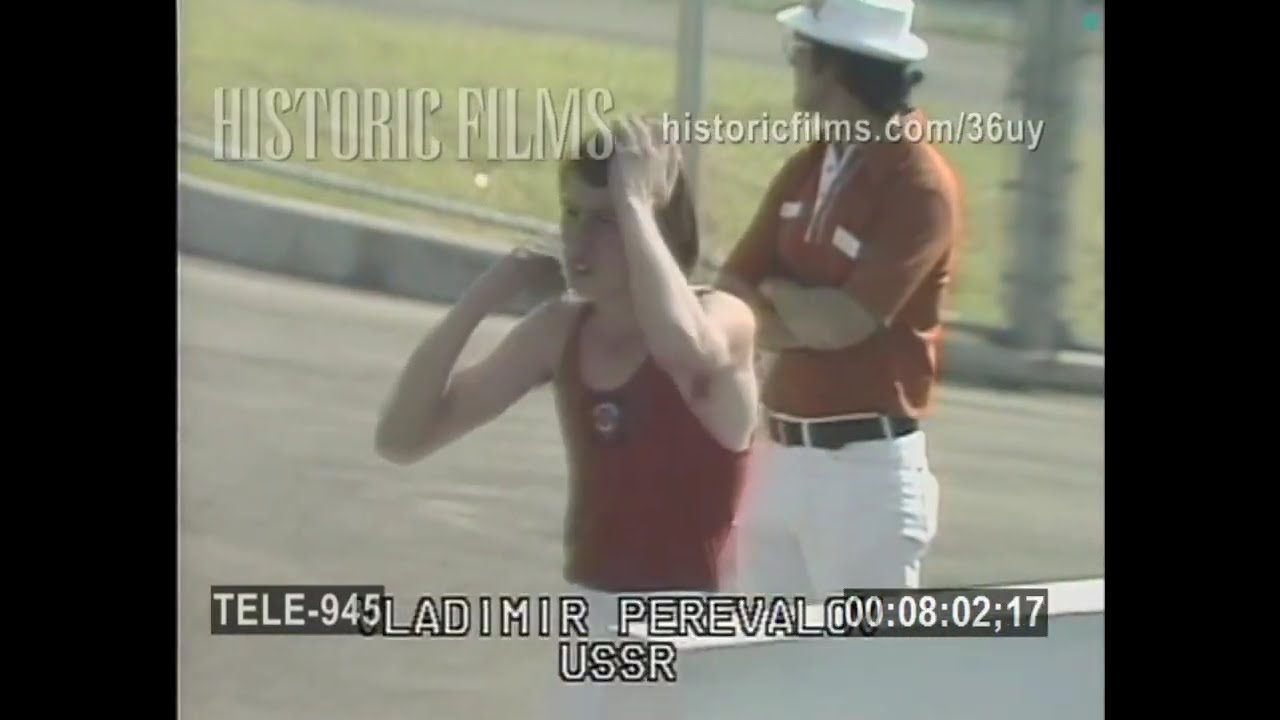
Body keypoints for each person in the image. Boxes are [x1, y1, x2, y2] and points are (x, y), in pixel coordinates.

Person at [375, 116, 758, 718]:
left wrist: (634, 198)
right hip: (592, 612)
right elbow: (402, 438)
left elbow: (684, 347)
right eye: (571, 214)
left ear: (652, 223)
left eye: (604, 220)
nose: (578, 241)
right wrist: (479, 301)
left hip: (690, 626)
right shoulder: (562, 329)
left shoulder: (724, 317)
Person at [716, 0, 964, 596]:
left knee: (862, 681)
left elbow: (844, 324)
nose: (795, 64)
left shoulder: (918, 185)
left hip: (864, 477)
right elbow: (731, 293)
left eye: (804, 52)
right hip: (778, 459)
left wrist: (776, 295)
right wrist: (796, 305)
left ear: (835, 69)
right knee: (764, 674)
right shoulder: (811, 165)